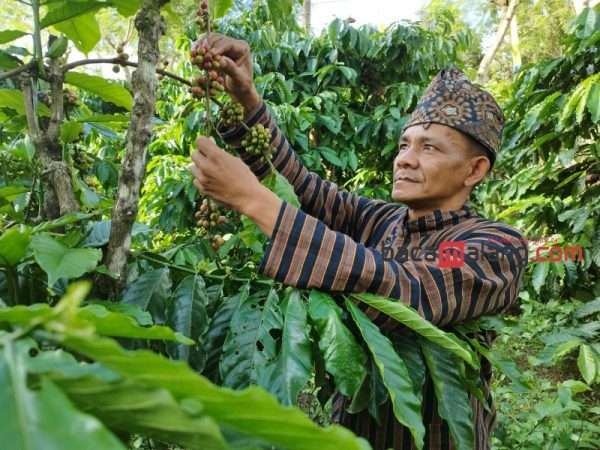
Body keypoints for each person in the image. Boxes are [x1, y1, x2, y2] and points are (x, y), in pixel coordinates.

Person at [189, 34, 528, 450]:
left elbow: (411, 292)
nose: (405, 158)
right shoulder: (379, 220)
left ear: (474, 171)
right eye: (404, 144)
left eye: (429, 148)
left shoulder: (491, 245)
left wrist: (253, 200)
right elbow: (302, 188)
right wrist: (246, 102)